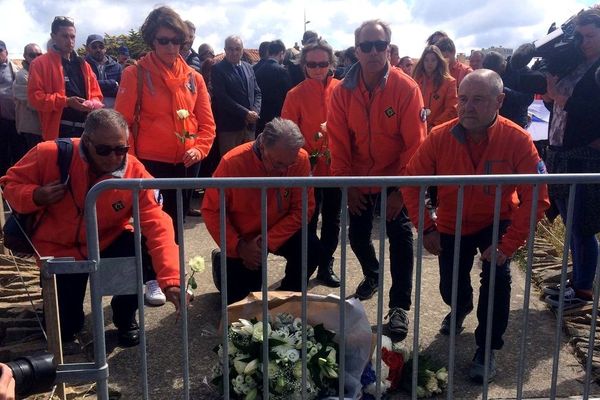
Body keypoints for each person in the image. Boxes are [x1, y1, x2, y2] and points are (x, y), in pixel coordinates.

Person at [402, 70, 550, 382]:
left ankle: (487, 348)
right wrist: (426, 226)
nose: (467, 107)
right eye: (463, 99)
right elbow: (411, 182)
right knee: (451, 287)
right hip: (452, 223)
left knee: (498, 278)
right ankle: (461, 306)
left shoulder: (517, 139)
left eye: (478, 100)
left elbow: (537, 197)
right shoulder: (440, 136)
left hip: (496, 221)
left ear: (500, 101)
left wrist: (507, 246)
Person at [0, 109, 190, 347]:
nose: (113, 157)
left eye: (121, 149)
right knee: (66, 329)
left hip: (105, 241)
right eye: (104, 150)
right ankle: (67, 316)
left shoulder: (135, 172)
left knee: (138, 249)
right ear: (86, 141)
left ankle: (125, 315)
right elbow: (10, 185)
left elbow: (158, 224)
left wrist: (170, 279)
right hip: (58, 250)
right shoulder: (49, 153)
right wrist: (35, 195)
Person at [327, 19, 426, 340]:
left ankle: (399, 307)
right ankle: (373, 273)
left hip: (397, 178)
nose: (372, 51)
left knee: (401, 239)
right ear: (356, 49)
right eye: (366, 46)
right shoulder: (342, 92)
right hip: (358, 179)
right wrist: (348, 185)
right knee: (356, 238)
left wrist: (402, 190)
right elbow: (338, 144)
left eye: (379, 45)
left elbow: (416, 146)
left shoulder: (407, 88)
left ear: (388, 48)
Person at [114, 6, 215, 303]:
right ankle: (150, 278)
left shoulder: (194, 77)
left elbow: (207, 123)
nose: (171, 47)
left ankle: (172, 275)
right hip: (149, 163)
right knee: (150, 222)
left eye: (176, 41)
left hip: (187, 162)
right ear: (151, 41)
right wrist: (129, 164)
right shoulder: (135, 74)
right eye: (163, 40)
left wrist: (200, 148)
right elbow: (122, 123)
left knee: (175, 221)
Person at [201, 118, 318, 304]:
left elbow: (303, 210)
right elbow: (212, 210)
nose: (284, 170)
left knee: (310, 249)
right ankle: (223, 261)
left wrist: (266, 241)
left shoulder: (300, 159)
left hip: (277, 231)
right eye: (278, 163)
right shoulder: (232, 163)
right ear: (262, 146)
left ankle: (285, 299)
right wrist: (238, 246)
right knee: (243, 305)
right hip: (243, 238)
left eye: (289, 164)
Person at [542, 6, 600, 306]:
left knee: (583, 226)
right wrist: (554, 98)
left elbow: (588, 112)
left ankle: (583, 289)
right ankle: (578, 279)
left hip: (585, 159)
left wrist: (563, 99)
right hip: (562, 154)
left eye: (590, 35)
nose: (583, 42)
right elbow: (562, 110)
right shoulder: (577, 65)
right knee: (571, 224)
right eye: (580, 36)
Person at [281, 38, 341, 288]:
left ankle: (326, 264)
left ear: (331, 64)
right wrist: (305, 160)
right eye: (312, 64)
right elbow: (288, 133)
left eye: (322, 64)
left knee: (332, 220)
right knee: (307, 219)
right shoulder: (294, 94)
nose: (317, 69)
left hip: (338, 169)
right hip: (308, 171)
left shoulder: (342, 89)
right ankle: (304, 266)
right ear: (303, 65)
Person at [28, 16, 103, 140]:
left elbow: (97, 94)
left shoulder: (83, 64)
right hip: (59, 131)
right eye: (65, 36)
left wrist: (92, 103)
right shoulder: (39, 63)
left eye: (72, 36)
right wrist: (66, 102)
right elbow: (35, 99)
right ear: (53, 36)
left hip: (86, 131)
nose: (70, 41)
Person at [211, 35, 261, 156]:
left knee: (250, 163)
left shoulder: (249, 67)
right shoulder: (218, 69)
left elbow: (257, 92)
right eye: (230, 49)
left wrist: (255, 112)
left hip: (249, 127)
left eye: (237, 49)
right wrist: (245, 113)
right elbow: (222, 98)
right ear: (225, 50)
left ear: (242, 50)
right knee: (231, 166)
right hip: (230, 129)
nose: (234, 52)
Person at [483, 51, 534, 128]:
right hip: (493, 122)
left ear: (503, 66)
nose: (493, 77)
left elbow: (527, 99)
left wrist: (502, 89)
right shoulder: (488, 72)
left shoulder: (522, 71)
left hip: (516, 122)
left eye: (496, 73)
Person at [412, 45, 457, 132]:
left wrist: (434, 126)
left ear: (439, 61)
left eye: (433, 60)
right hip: (418, 129)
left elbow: (452, 109)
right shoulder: (415, 81)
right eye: (426, 60)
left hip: (438, 131)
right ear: (422, 62)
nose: (429, 63)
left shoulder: (449, 82)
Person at [0, 40, 26, 176]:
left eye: (0, 51)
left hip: (15, 120)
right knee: (2, 154)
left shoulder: (15, 68)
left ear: (6, 52)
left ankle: (15, 182)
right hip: (1, 121)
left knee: (18, 153)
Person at [254, 40, 292, 134]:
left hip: (260, 117)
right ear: (281, 53)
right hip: (277, 118)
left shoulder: (257, 70)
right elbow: (289, 95)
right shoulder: (282, 71)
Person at [13, 43, 43, 152]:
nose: (36, 58)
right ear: (25, 56)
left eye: (39, 55)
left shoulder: (39, 72)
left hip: (41, 127)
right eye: (32, 55)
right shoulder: (22, 75)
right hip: (31, 128)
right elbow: (34, 103)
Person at [85, 34, 123, 108]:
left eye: (101, 46)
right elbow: (86, 86)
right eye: (94, 47)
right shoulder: (82, 65)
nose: (98, 49)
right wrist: (112, 83)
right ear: (87, 49)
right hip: (90, 109)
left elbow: (121, 89)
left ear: (105, 48)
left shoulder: (116, 66)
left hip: (113, 110)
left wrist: (97, 85)